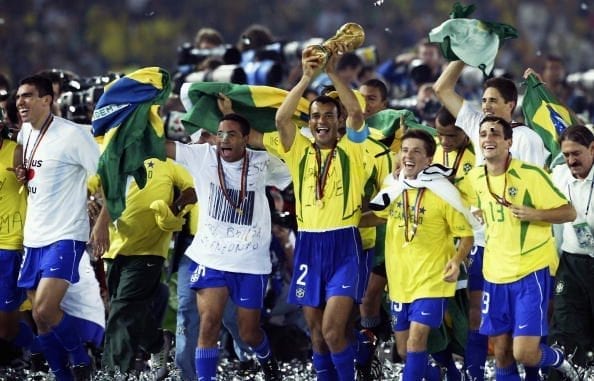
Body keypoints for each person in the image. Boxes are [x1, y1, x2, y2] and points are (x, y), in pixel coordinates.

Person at [270, 44, 372, 381]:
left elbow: (357, 112)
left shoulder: (352, 149)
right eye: (315, 116)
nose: (321, 121)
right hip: (308, 248)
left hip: (344, 247)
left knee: (331, 331)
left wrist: (330, 71)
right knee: (316, 333)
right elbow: (282, 118)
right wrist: (306, 77)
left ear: (339, 121)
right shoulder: (298, 150)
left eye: (329, 115)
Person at [456, 116, 579, 381]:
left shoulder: (530, 175)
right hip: (494, 273)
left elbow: (569, 212)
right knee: (501, 352)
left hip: (529, 271)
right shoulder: (475, 177)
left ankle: (560, 359)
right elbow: (459, 194)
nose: (488, 138)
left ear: (508, 142)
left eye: (495, 134)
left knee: (524, 352)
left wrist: (534, 214)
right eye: (484, 133)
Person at [165, 113, 281, 381]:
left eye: (232, 134)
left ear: (245, 139)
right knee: (208, 323)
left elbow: (293, 151)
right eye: (220, 133)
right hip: (211, 257)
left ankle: (267, 360)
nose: (224, 139)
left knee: (249, 332)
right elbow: (163, 146)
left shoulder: (263, 163)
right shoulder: (203, 156)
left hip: (250, 261)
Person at [361, 128, 475, 380]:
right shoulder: (393, 187)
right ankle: (447, 375)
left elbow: (466, 234)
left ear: (429, 158)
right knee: (404, 349)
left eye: (416, 151)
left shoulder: (444, 193)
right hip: (400, 281)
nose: (408, 156)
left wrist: (457, 261)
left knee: (415, 342)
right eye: (404, 150)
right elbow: (377, 217)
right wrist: (347, 221)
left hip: (433, 280)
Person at [12, 74, 100, 381]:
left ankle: (80, 358)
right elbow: (20, 147)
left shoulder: (73, 135)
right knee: (42, 322)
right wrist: (22, 168)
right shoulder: (26, 131)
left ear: (47, 100)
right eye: (18, 96)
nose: (20, 102)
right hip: (34, 236)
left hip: (65, 235)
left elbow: (103, 175)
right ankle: (64, 376)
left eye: (27, 96)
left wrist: (100, 219)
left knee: (45, 312)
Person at [91, 156, 196, 379]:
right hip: (114, 246)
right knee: (127, 309)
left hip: (150, 249)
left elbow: (192, 190)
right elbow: (95, 185)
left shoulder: (170, 163)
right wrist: (91, 203)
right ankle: (158, 342)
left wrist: (174, 208)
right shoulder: (116, 157)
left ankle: (115, 372)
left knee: (123, 308)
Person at [433, 60, 550, 168]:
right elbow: (442, 89)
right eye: (484, 101)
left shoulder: (526, 138)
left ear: (510, 105)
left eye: (493, 101)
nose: (486, 106)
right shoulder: (476, 125)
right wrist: (462, 54)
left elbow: (534, 182)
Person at [550, 124, 594, 376]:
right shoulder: (558, 175)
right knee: (566, 325)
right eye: (566, 155)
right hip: (571, 263)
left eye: (576, 153)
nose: (570, 160)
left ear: (592, 148)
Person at [0, 109, 33, 362]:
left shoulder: (15, 149)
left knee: (7, 325)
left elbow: (34, 180)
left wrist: (25, 174)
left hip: (9, 243)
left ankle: (43, 351)